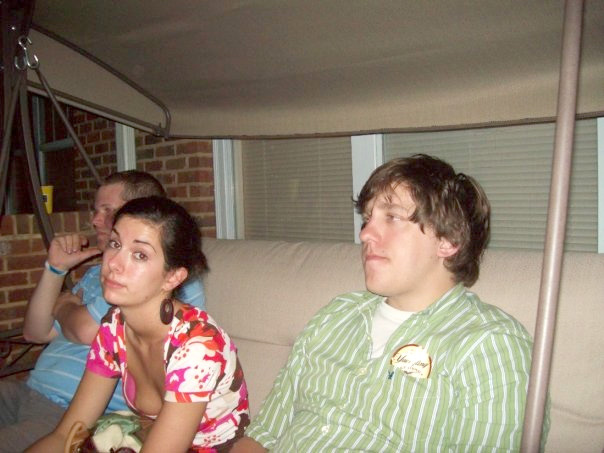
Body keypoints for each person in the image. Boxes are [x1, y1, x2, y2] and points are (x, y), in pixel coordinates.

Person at [234, 154, 548, 452]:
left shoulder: (491, 345)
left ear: (448, 240)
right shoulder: (335, 316)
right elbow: (263, 434)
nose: (365, 234)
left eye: (393, 217)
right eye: (367, 219)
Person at [0, 171, 206, 451]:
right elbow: (35, 332)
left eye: (108, 210)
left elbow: (86, 330)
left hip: (65, 409)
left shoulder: (172, 290)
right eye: (115, 245)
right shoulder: (104, 287)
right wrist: (55, 269)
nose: (96, 220)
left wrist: (64, 305)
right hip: (30, 389)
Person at [27, 196, 249, 452]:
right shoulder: (114, 327)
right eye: (115, 244)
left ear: (172, 277)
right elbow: (64, 435)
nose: (113, 263)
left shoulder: (198, 347)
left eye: (140, 255)